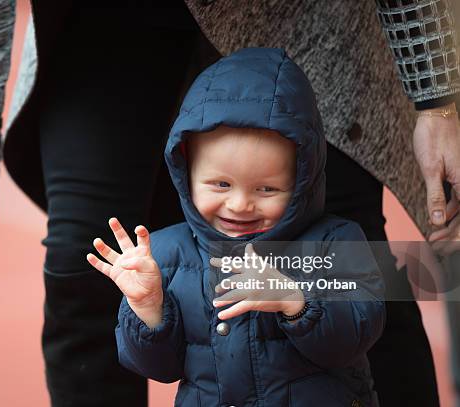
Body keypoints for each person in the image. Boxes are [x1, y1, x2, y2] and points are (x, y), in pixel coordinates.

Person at [0, 1, 459, 406]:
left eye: (258, 192)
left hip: (295, 19)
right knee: (89, 263)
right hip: (104, 29)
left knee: (346, 251)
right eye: (225, 189)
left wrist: (439, 102)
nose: (241, 204)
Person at [88, 48, 386, 406]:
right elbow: (159, 367)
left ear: (302, 181)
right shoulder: (166, 254)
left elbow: (356, 334)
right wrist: (148, 307)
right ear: (187, 174)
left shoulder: (333, 243)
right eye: (221, 185)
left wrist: (295, 302)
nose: (240, 204)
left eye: (266, 189)